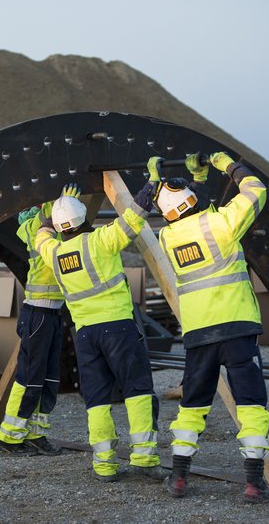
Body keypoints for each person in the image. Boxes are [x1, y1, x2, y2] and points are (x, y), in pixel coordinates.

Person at [152, 152, 269, 503]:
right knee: (251, 403)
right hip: (236, 328)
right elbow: (255, 191)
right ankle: (254, 483)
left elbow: (191, 215)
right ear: (191, 201)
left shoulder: (167, 237)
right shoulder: (220, 225)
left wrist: (198, 182)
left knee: (192, 404)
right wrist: (226, 165)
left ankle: (178, 478)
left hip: (199, 334)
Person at [34, 182, 168, 483]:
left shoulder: (53, 253)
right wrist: (149, 184)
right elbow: (134, 217)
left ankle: (104, 464)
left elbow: (41, 235)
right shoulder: (100, 241)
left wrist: (55, 209)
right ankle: (145, 458)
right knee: (138, 391)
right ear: (85, 219)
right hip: (118, 328)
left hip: (85, 335)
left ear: (59, 228)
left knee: (96, 399)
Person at [0, 194, 67, 457]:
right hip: (38, 314)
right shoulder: (34, 228)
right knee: (29, 378)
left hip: (51, 314)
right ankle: (9, 437)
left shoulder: (44, 222)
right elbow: (51, 214)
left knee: (48, 377)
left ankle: (35, 433)